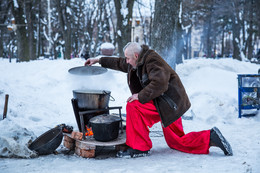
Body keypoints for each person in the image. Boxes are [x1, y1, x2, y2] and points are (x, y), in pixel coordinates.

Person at [85, 42, 233, 158]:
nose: (127, 61)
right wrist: (98, 60)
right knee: (176, 141)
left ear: (136, 56)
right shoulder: (137, 61)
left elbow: (160, 83)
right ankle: (210, 137)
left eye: (128, 58)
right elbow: (119, 63)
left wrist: (140, 96)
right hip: (163, 102)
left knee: (134, 105)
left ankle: (140, 148)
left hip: (168, 104)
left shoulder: (152, 60)